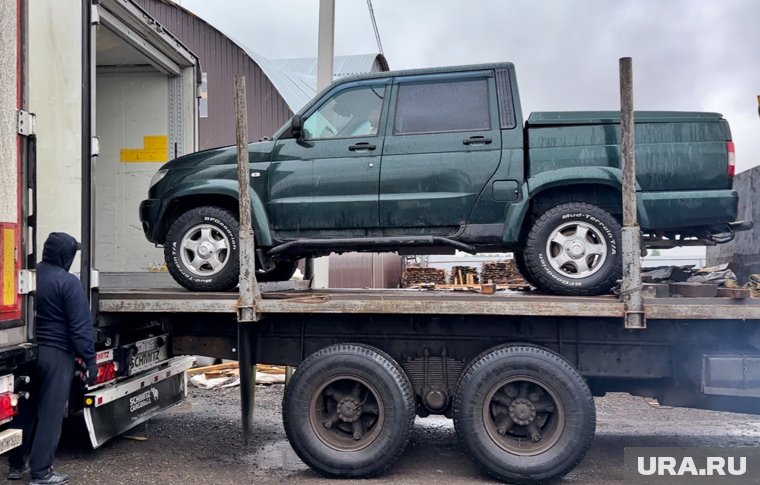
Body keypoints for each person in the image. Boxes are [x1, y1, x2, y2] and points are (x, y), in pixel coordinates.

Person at [8, 233, 97, 485]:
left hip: (27, 352)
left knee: (24, 409)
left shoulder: (30, 275)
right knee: (50, 413)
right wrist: (89, 360)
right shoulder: (68, 282)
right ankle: (42, 472)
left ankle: (16, 465)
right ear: (65, 254)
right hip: (56, 355)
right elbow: (80, 326)